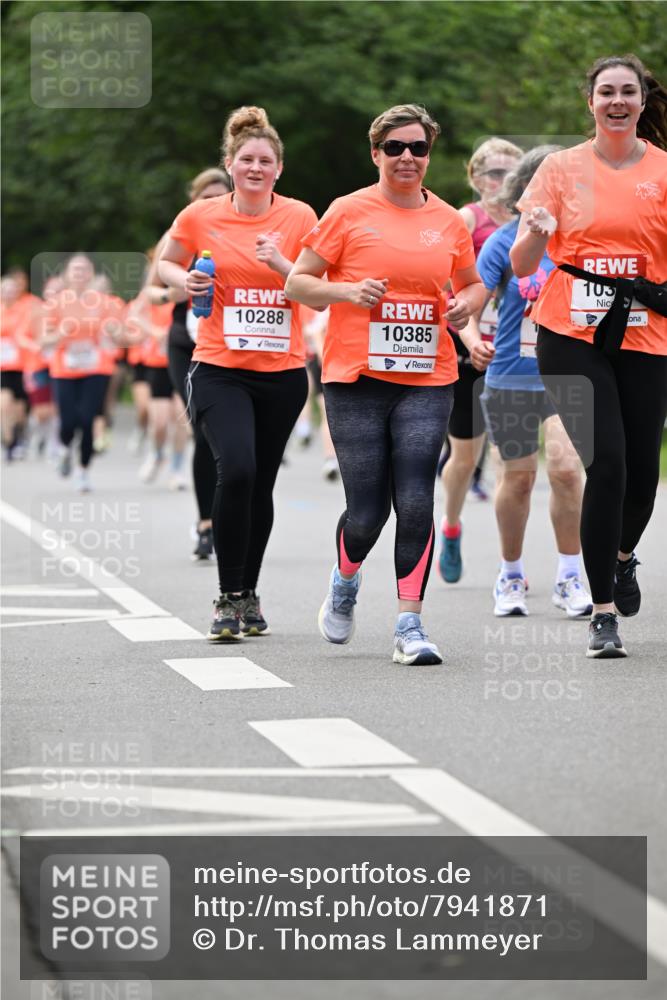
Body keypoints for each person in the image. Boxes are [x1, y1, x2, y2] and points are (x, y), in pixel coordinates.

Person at [285, 103, 485, 665]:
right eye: (394, 147)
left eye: (417, 147)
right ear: (376, 153)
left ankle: (409, 623)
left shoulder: (447, 220)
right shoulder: (347, 212)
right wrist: (347, 293)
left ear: (429, 154)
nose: (406, 157)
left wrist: (463, 308)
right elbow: (298, 283)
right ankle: (346, 579)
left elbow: (471, 287)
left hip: (427, 375)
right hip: (356, 377)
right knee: (367, 510)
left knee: (417, 492)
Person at [511, 54, 667, 658]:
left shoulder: (662, 169)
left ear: (642, 100)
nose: (617, 101)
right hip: (570, 331)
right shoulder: (559, 168)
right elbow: (523, 265)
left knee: (643, 478)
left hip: (645, 329)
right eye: (607, 92)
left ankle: (622, 556)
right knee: (608, 462)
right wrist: (539, 231)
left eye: (628, 91)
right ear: (591, 102)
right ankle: (603, 611)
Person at [159, 106, 316, 639]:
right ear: (229, 164)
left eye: (265, 161)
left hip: (282, 371)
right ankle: (227, 597)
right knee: (239, 470)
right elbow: (164, 261)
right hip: (219, 366)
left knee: (262, 483)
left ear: (279, 170)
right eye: (246, 159)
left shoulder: (299, 218)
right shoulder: (201, 215)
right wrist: (185, 282)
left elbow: (319, 284)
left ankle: (249, 592)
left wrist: (282, 265)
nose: (255, 167)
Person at [461, 146, 593, 617]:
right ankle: (511, 574)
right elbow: (469, 302)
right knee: (517, 479)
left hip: (568, 375)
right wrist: (473, 339)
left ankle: (570, 574)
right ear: (525, 189)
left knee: (564, 470)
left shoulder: (587, 240)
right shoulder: (504, 241)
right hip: (512, 377)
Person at [438, 138, 523, 584]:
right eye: (494, 173)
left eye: (512, 173)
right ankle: (451, 527)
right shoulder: (465, 221)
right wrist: (470, 340)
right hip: (467, 349)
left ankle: (510, 563)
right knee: (464, 455)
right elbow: (451, 292)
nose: (503, 182)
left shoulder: (533, 224)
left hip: (516, 354)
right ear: (475, 179)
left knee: (512, 461)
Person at [147, 167, 230, 558]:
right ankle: (206, 523)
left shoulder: (240, 228)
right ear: (194, 199)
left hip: (231, 343)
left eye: (220, 196)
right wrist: (177, 292)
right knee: (204, 428)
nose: (212, 203)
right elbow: (151, 290)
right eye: (205, 198)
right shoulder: (181, 231)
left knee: (226, 438)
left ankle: (229, 512)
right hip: (186, 344)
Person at [42, 254, 126, 492]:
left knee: (88, 419)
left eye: (84, 270)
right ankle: (66, 448)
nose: (80, 274)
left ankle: (83, 471)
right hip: (64, 368)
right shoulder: (55, 304)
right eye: (75, 270)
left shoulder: (106, 303)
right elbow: (43, 340)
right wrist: (59, 334)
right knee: (68, 421)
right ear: (67, 275)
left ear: (91, 275)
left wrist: (113, 331)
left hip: (96, 367)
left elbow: (121, 336)